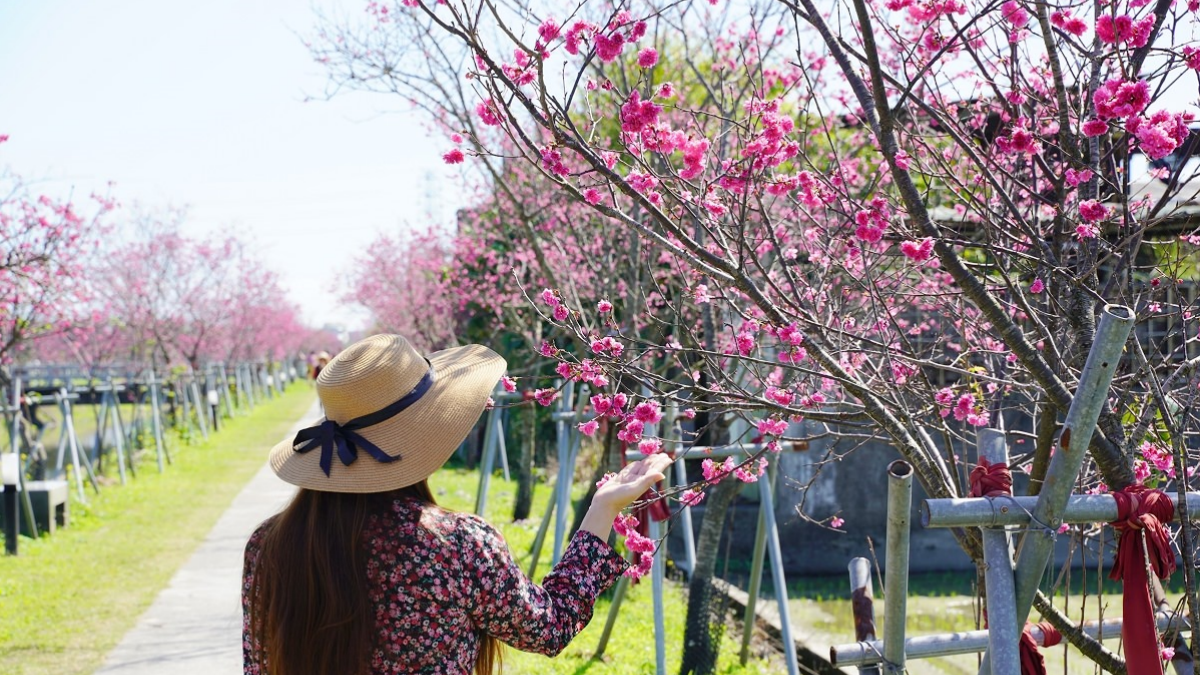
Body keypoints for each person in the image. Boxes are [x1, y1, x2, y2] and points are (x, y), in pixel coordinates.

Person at [242, 334, 671, 675]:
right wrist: (602, 510)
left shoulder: (270, 545)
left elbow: (259, 665)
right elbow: (549, 627)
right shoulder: (455, 545)